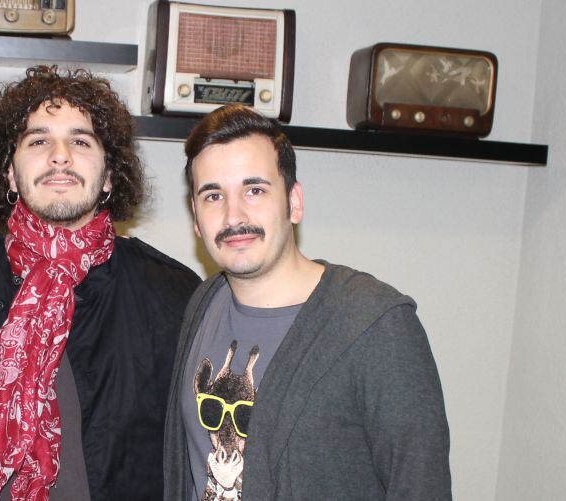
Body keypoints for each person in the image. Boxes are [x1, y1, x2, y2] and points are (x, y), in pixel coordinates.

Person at [0, 65, 201, 501]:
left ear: (109, 176)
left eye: (80, 141)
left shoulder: (173, 295)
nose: (60, 155)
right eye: (39, 140)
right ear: (9, 172)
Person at [164, 105, 451, 500]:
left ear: (294, 203)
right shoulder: (203, 304)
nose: (234, 215)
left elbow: (420, 487)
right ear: (196, 218)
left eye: (255, 190)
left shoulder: (376, 325)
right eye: (213, 195)